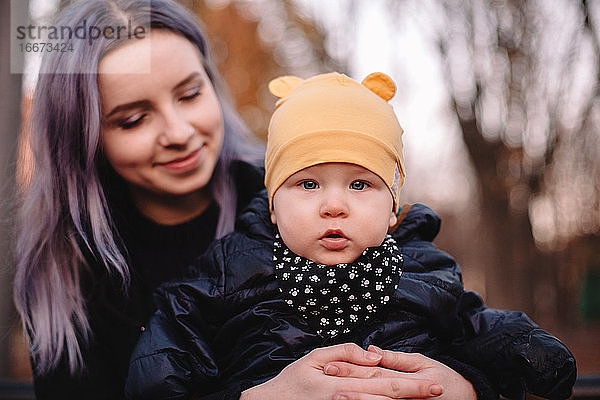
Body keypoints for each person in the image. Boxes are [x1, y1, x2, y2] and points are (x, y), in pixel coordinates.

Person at [13, 1, 494, 399]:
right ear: (83, 138)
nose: (179, 133)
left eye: (189, 93)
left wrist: (469, 386)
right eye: (133, 119)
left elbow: (458, 329)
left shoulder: (303, 203)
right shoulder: (68, 274)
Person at [125, 72, 576, 400]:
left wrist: (521, 355)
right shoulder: (227, 272)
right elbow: (159, 372)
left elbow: (475, 325)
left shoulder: (424, 270)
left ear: (393, 209)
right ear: (274, 206)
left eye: (360, 184)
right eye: (307, 183)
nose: (333, 204)